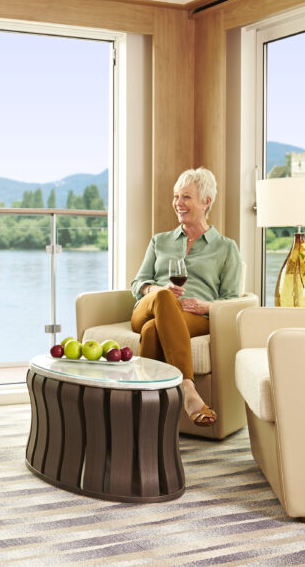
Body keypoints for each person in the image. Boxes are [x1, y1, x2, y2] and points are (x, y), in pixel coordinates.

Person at [130, 167, 241, 427]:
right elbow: (137, 284)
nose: (178, 203)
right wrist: (158, 291)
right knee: (164, 299)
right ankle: (188, 389)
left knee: (152, 331)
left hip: (194, 316)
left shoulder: (226, 248)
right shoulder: (159, 241)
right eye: (176, 196)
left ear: (206, 201)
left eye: (186, 197)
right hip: (148, 306)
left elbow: (232, 300)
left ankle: (146, 416)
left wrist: (206, 306)